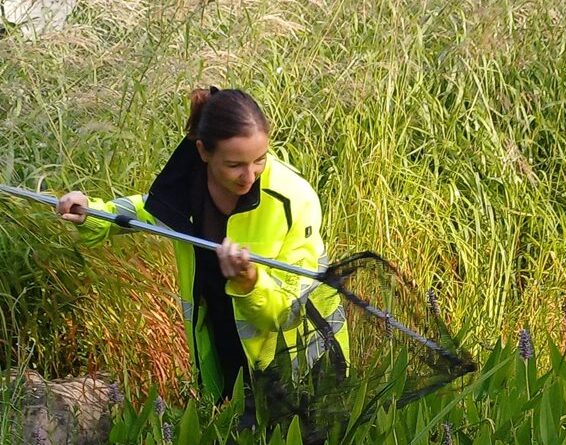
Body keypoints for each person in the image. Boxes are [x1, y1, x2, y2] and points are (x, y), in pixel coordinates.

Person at [56, 87, 349, 428]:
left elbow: (286, 313)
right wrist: (91, 212)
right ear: (204, 153)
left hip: (300, 351)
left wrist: (249, 281)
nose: (249, 176)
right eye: (235, 164)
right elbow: (146, 211)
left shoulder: (294, 200)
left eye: (260, 159)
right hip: (227, 343)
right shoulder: (186, 187)